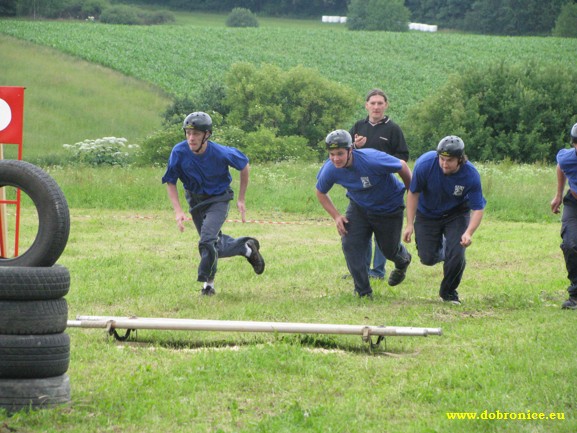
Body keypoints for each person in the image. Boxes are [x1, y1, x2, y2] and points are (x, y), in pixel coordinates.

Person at [162, 112, 265, 296]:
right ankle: (246, 248)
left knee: (207, 240)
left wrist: (241, 198)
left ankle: (207, 286)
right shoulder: (178, 152)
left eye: (196, 134)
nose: (191, 138)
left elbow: (244, 165)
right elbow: (170, 180)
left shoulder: (219, 152)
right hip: (195, 201)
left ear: (206, 135)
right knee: (213, 245)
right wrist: (178, 211)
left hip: (219, 199)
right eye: (188, 133)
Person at [316, 129, 412, 299]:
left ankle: (402, 260)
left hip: (389, 207)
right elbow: (320, 192)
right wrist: (337, 216)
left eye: (339, 153)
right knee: (350, 243)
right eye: (331, 154)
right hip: (359, 207)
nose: (335, 158)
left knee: (389, 250)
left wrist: (412, 192)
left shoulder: (371, 159)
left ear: (350, 150)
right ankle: (363, 292)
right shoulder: (330, 169)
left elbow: (402, 166)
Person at [403, 136, 486, 305]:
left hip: (456, 214)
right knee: (428, 258)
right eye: (441, 159)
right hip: (427, 214)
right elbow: (413, 193)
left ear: (460, 160)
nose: (444, 164)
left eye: (449, 160)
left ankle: (448, 292)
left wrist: (468, 232)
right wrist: (409, 223)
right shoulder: (425, 164)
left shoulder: (471, 175)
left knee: (457, 253)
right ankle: (445, 249)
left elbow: (478, 208)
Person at [349, 88, 409, 280]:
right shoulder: (358, 126)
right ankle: (363, 270)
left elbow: (403, 157)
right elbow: (343, 153)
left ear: (386, 106)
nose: (376, 107)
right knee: (361, 231)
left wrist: (383, 162)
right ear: (366, 105)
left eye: (379, 103)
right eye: (372, 103)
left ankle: (378, 271)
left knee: (381, 233)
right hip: (360, 187)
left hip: (385, 187)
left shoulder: (393, 129)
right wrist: (354, 146)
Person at [551, 122, 577, 310]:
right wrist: (559, 194)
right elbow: (561, 166)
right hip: (573, 204)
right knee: (570, 244)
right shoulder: (567, 157)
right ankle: (575, 295)